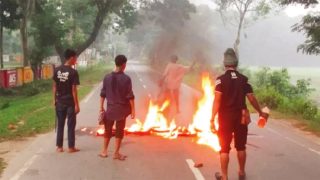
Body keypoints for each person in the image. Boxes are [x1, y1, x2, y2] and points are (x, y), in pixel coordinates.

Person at [211, 48, 268, 180]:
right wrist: (260, 112)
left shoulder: (220, 80)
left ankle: (224, 176)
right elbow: (252, 98)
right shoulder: (244, 79)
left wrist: (212, 118)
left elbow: (217, 100)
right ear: (236, 64)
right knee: (241, 146)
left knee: (224, 148)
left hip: (225, 117)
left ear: (225, 64)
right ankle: (241, 173)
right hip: (241, 117)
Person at [99, 55, 135, 160]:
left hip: (110, 109)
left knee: (108, 130)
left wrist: (101, 107)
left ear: (115, 63)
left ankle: (104, 151)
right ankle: (116, 153)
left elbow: (103, 94)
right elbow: (130, 96)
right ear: (124, 64)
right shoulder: (126, 78)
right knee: (119, 131)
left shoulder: (107, 77)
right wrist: (133, 110)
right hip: (121, 110)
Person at [53, 49, 80, 153]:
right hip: (70, 103)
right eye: (75, 58)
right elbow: (74, 90)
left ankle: (59, 147)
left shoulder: (57, 70)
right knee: (71, 124)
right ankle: (71, 147)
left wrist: (54, 99)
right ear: (72, 58)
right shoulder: (73, 72)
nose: (76, 60)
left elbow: (54, 86)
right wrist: (77, 105)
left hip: (59, 101)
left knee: (60, 124)